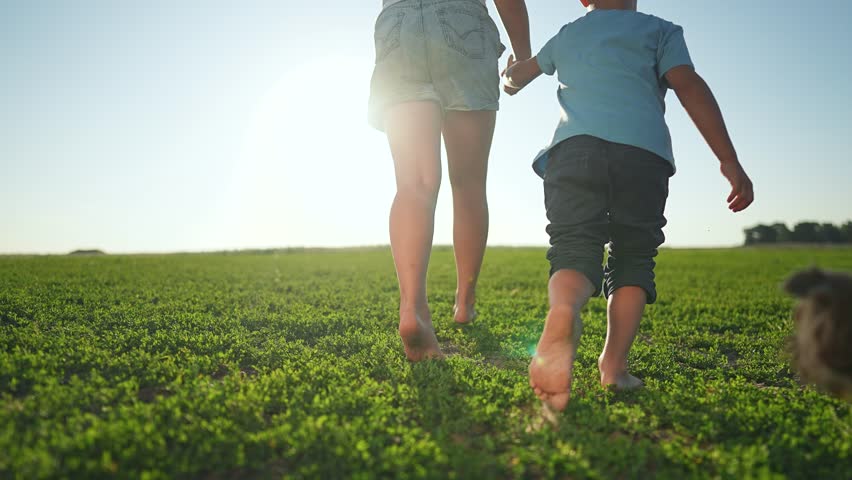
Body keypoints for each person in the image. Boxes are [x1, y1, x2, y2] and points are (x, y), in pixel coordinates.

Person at [503, 0, 754, 410]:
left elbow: (519, 77)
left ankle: (565, 309)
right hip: (642, 156)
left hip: (573, 151)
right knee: (633, 257)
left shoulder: (569, 34)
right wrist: (728, 159)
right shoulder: (660, 31)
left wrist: (511, 73)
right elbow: (690, 86)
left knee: (573, 246)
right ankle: (614, 368)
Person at [368, 0, 532, 361]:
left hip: (398, 26)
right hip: (463, 25)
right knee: (469, 183)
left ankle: (413, 308)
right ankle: (465, 301)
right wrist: (522, 57)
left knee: (415, 183)